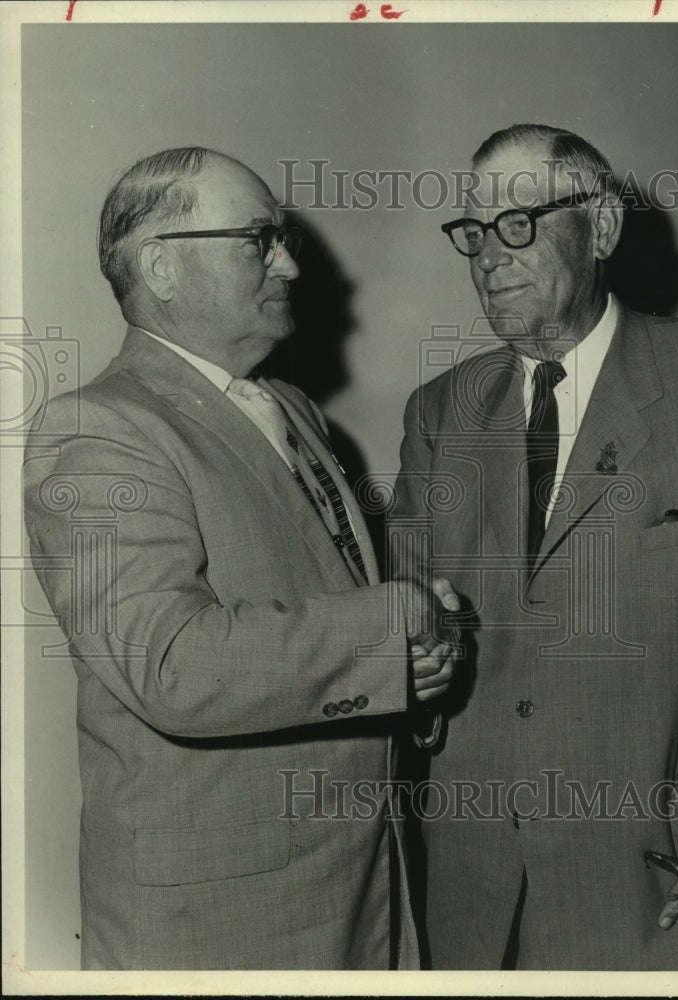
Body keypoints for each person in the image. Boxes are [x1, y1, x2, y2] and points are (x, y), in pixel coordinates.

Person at [23, 146, 459, 971]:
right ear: (160, 266)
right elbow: (173, 665)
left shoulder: (290, 409)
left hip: (360, 891)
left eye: (282, 237)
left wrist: (413, 668)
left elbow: (322, 627)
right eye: (259, 240)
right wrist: (395, 620)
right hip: (219, 923)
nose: (289, 263)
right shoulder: (98, 429)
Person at [391, 124, 678, 970]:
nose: (490, 253)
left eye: (519, 223)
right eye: (473, 232)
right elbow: (409, 642)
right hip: (478, 908)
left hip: (677, 894)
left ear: (599, 228)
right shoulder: (437, 412)